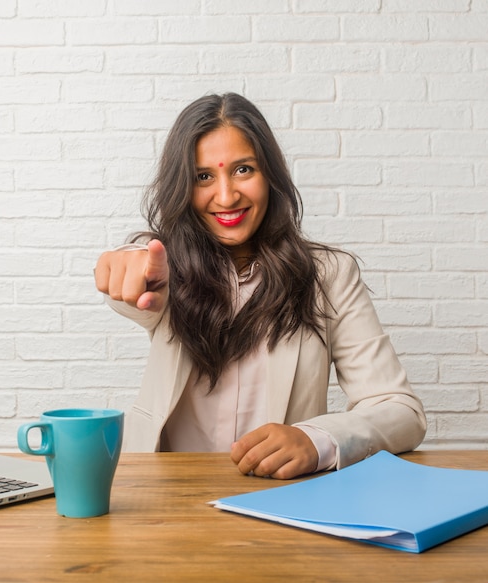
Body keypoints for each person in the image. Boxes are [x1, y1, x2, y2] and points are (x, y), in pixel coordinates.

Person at [94, 93, 426, 480]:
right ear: (182, 187)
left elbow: (402, 411)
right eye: (204, 177)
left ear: (270, 174)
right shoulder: (164, 269)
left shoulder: (330, 275)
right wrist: (126, 264)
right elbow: (139, 289)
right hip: (163, 498)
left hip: (282, 499)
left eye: (243, 170)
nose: (226, 196)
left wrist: (317, 440)